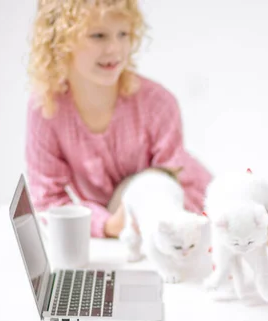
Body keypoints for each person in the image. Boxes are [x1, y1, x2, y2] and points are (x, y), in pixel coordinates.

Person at [25, 0, 212, 238]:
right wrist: (107, 225)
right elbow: (48, 200)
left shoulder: (157, 103)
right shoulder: (47, 109)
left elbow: (169, 185)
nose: (115, 48)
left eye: (123, 34)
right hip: (127, 232)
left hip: (188, 215)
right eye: (98, 35)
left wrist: (126, 221)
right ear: (60, 40)